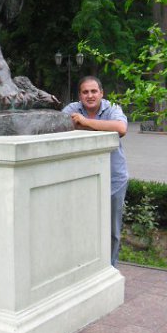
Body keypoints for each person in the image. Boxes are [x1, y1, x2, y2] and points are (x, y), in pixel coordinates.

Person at [62, 76, 128, 267]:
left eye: (93, 91)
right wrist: (100, 127)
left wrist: (84, 122)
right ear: (79, 95)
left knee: (112, 229)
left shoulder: (112, 108)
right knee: (84, 226)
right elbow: (58, 126)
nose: (90, 96)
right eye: (85, 92)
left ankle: (110, 267)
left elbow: (121, 128)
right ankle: (87, 267)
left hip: (114, 178)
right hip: (82, 177)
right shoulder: (72, 109)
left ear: (101, 93)